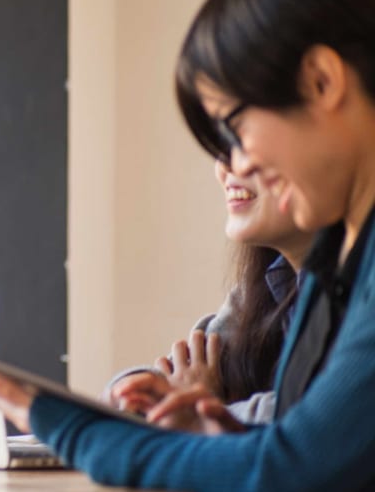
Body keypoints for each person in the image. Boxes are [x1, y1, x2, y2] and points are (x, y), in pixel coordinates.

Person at [0, 0, 375, 492]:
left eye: (235, 128)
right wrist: (221, 435)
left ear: (323, 81)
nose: (237, 164)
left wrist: (71, 427)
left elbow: (292, 470)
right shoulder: (338, 257)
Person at [106, 161, 313, 425]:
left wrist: (202, 411)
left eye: (242, 140)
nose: (224, 165)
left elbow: (323, 413)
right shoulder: (268, 284)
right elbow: (170, 374)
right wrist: (126, 395)